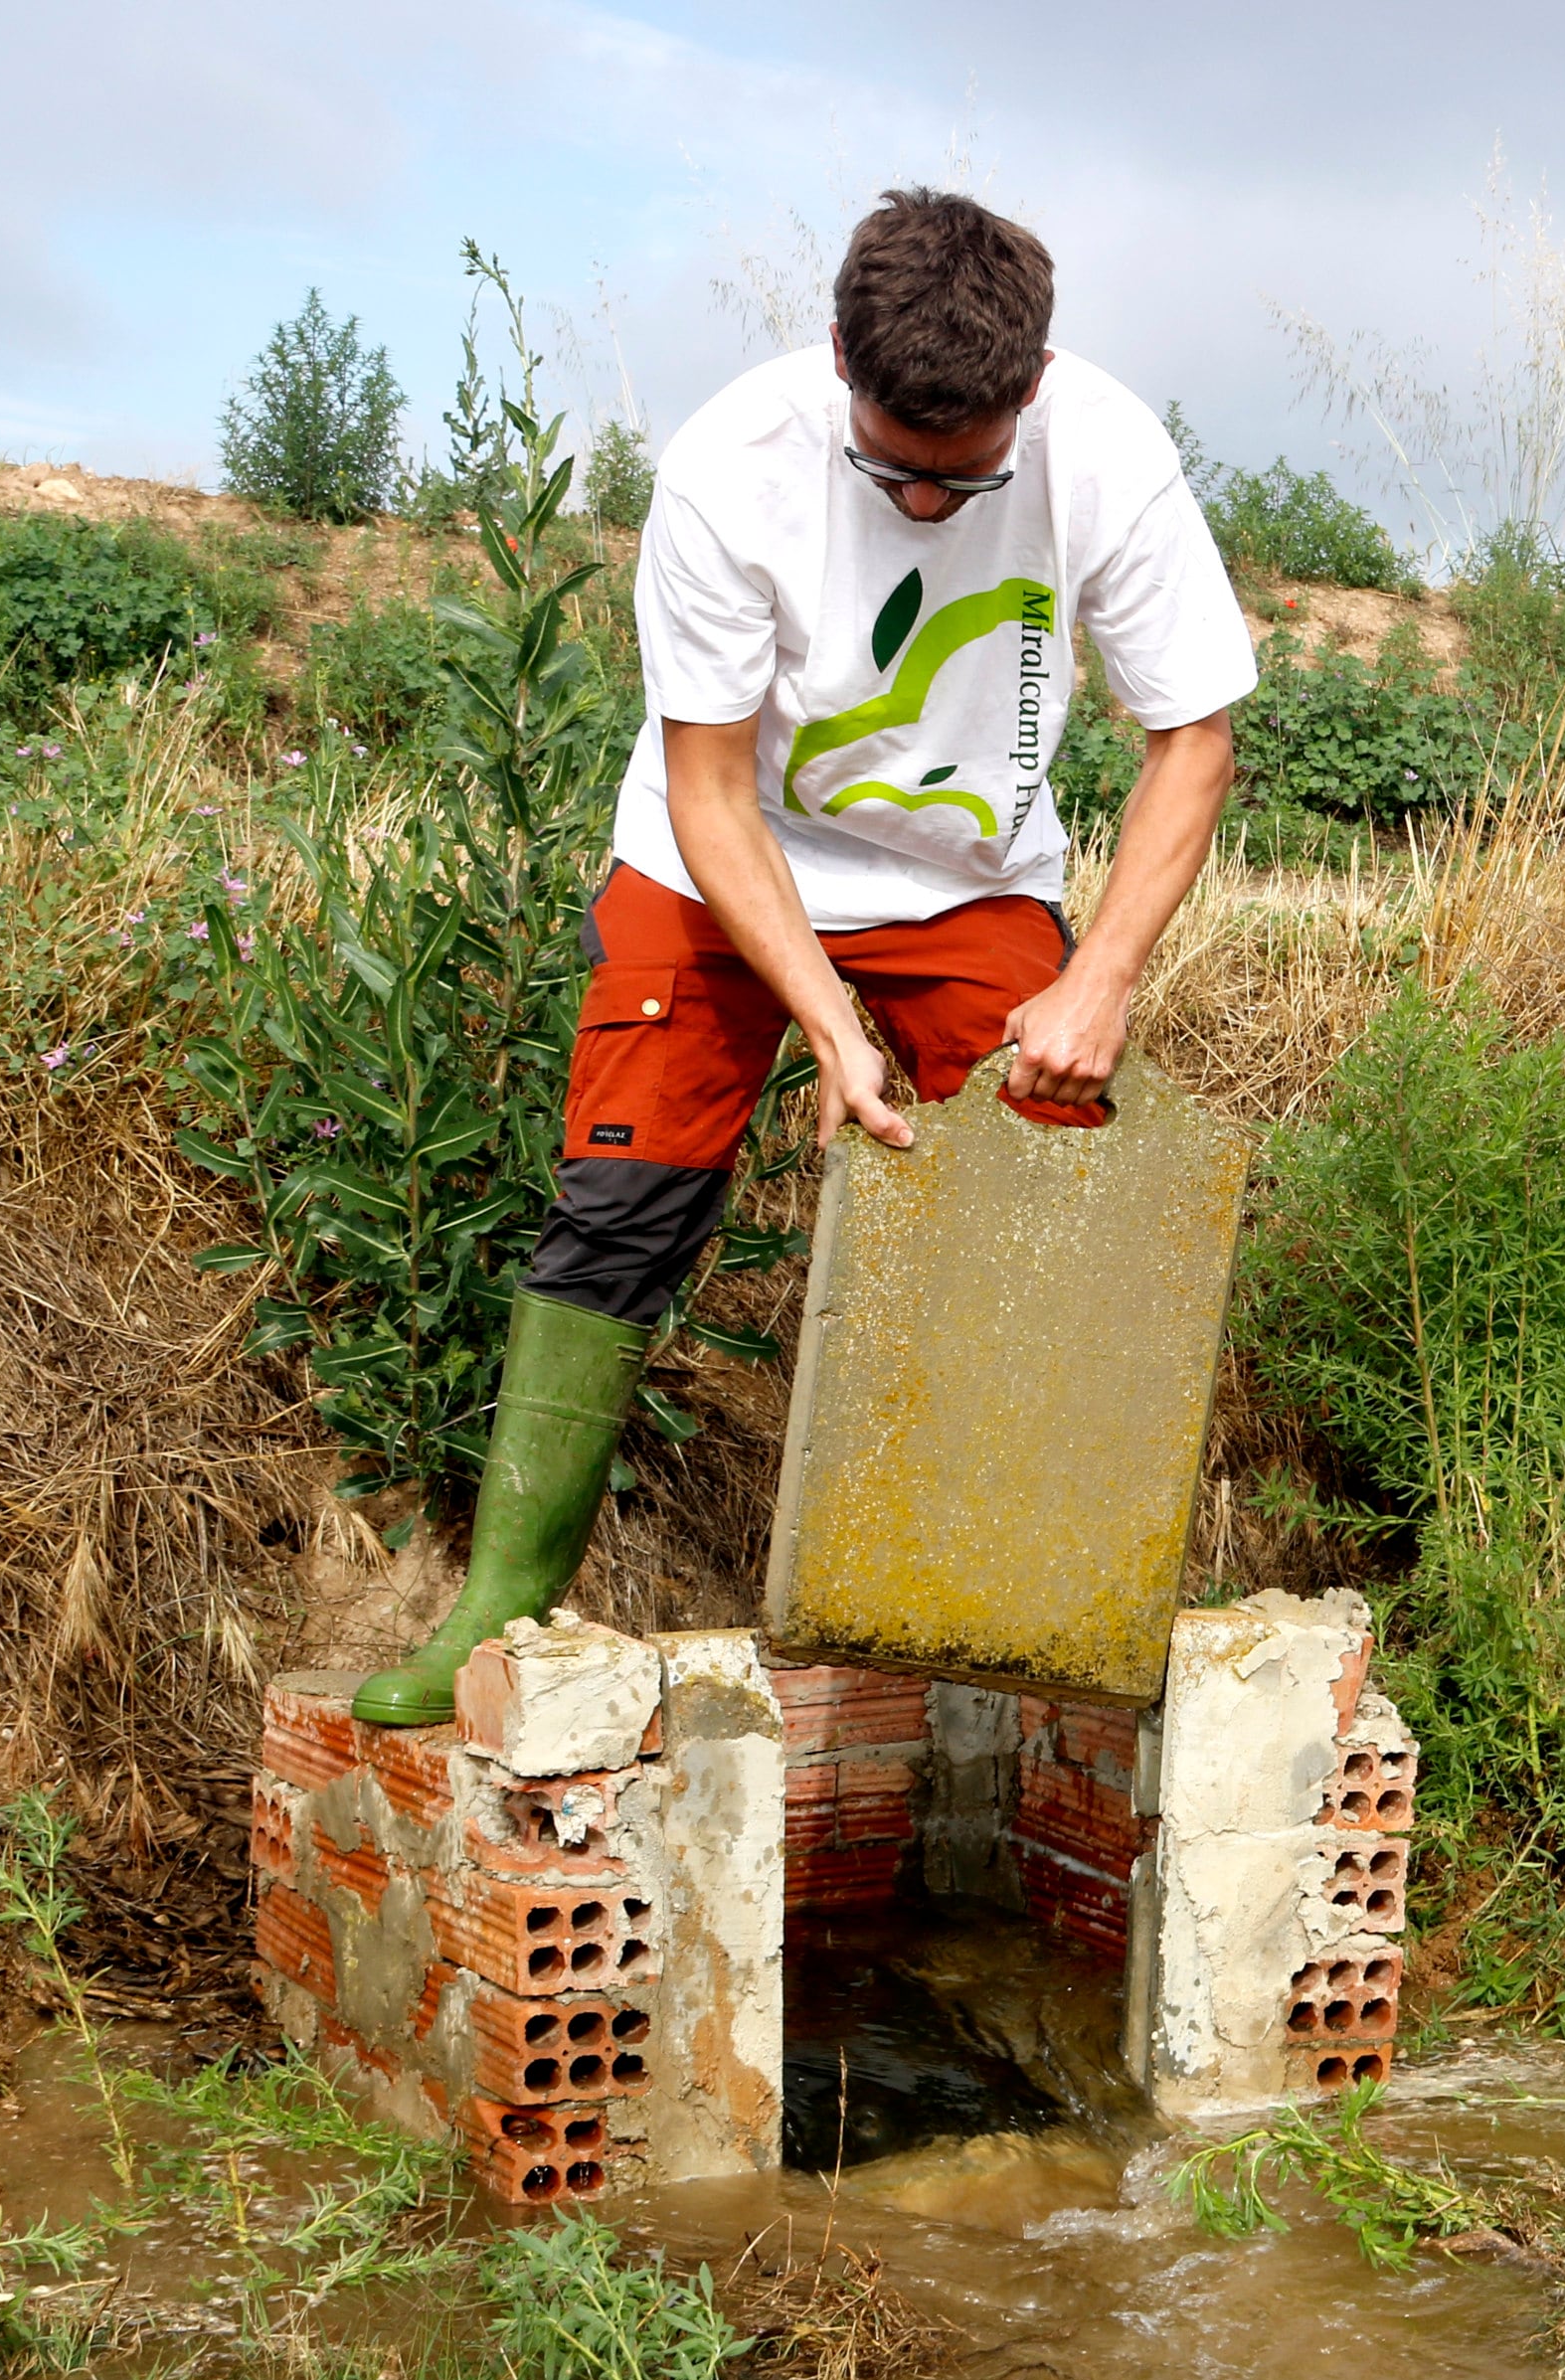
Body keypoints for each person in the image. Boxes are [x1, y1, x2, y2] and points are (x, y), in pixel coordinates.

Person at [354, 187, 1255, 1725]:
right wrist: (831, 1022)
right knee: (621, 1206)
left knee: (1049, 1184)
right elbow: (708, 789)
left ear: (1031, 391)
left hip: (967, 880)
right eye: (887, 467)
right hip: (720, 868)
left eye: (956, 484)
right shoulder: (728, 468)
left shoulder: (1108, 452)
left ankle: (1007, 1609)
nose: (917, 507)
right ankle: (501, 1604)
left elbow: (1195, 739)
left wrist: (1098, 975)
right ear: (838, 355)